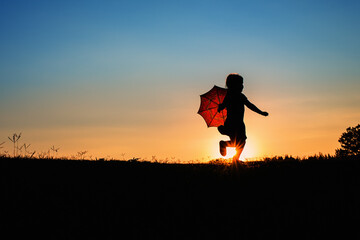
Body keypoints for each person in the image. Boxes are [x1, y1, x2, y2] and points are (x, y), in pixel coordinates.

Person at [217, 73, 268, 162]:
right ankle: (234, 157)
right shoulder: (238, 96)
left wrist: (221, 107)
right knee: (241, 142)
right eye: (240, 84)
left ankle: (226, 146)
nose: (242, 86)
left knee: (238, 142)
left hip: (234, 123)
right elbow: (250, 105)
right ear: (233, 85)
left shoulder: (229, 95)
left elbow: (223, 105)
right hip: (235, 124)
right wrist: (261, 112)